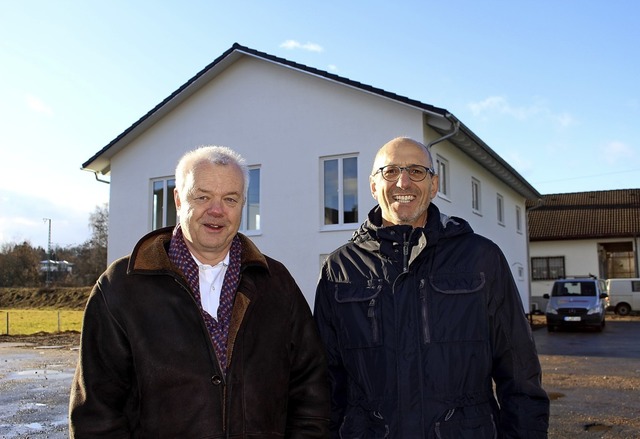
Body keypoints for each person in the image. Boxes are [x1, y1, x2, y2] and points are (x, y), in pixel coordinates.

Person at [70, 146, 330, 438]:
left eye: (230, 199)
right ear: (179, 200)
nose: (216, 210)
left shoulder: (277, 284)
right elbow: (96, 416)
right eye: (202, 196)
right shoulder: (122, 287)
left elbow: (311, 392)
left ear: (243, 204)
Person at [313, 137, 549, 438]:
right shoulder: (339, 269)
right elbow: (323, 384)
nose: (403, 182)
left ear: (433, 185)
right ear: (373, 187)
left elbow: (520, 373)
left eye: (416, 171)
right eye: (390, 171)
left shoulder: (480, 258)